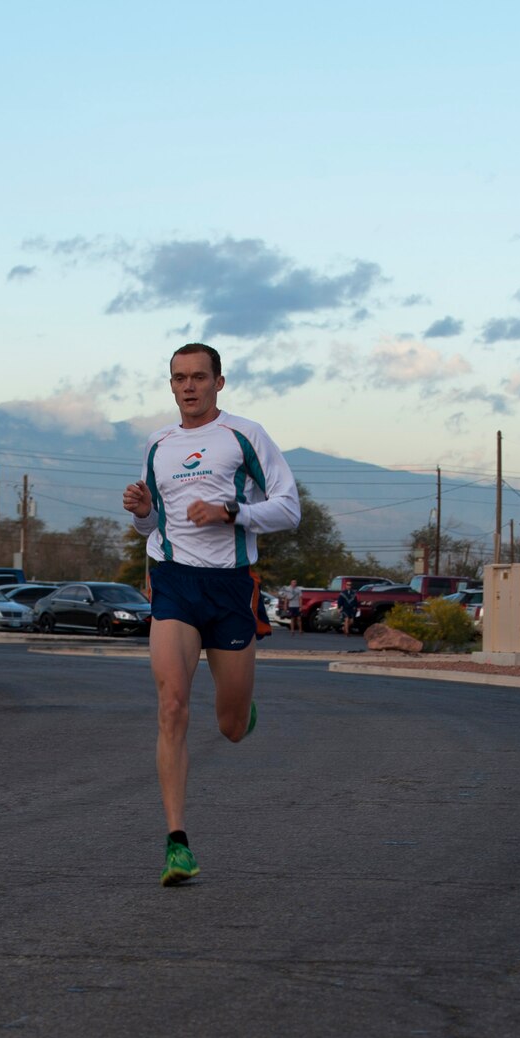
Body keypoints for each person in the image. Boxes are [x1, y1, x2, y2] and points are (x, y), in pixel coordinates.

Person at [121, 343, 301, 887]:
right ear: (170, 384)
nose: (189, 386)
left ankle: (241, 710)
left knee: (229, 728)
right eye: (179, 378)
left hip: (229, 588)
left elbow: (289, 508)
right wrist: (142, 511)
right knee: (172, 705)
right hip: (173, 583)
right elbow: (152, 529)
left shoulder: (245, 436)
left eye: (200, 377)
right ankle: (177, 842)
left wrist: (232, 512)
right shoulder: (158, 443)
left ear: (219, 382)